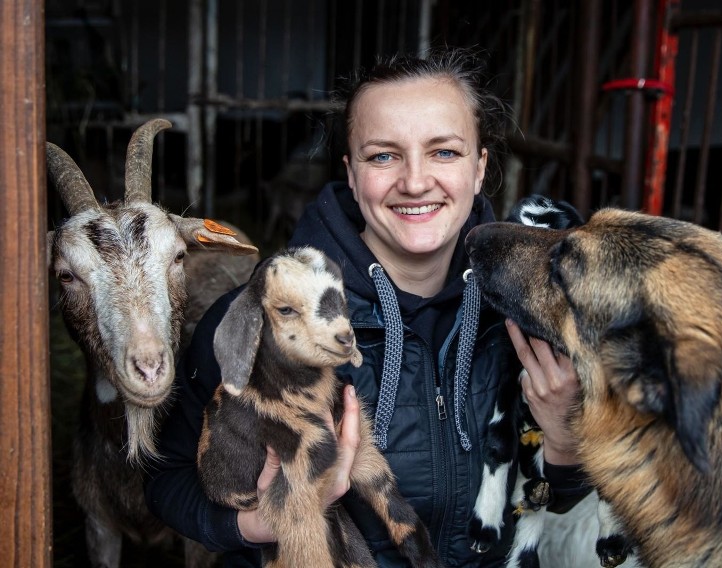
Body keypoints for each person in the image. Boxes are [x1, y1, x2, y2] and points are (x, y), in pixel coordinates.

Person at [144, 47, 589, 567]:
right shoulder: (263, 319)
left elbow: (559, 503)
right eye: (383, 156)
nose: (416, 181)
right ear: (352, 175)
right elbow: (164, 478)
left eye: (444, 152)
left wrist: (565, 439)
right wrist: (259, 524)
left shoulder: (541, 316)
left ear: (479, 167)